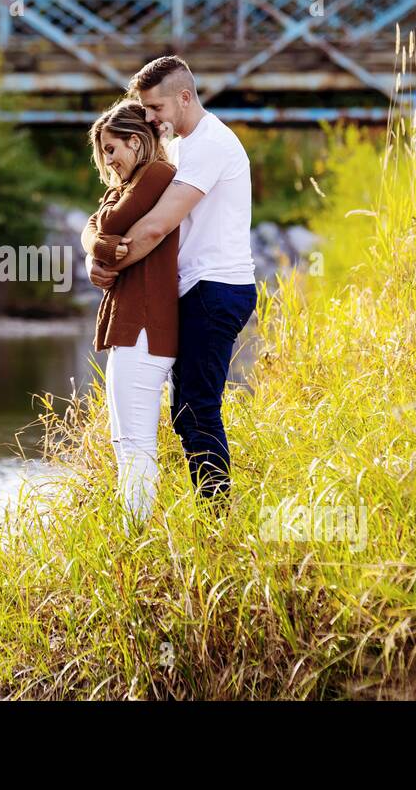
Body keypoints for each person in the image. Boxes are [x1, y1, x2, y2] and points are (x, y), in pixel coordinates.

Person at [87, 56, 256, 503]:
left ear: (184, 97)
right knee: (188, 411)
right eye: (143, 110)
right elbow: (109, 218)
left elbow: (156, 227)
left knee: (197, 409)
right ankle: (209, 514)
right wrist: (98, 255)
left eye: (155, 108)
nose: (149, 118)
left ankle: (218, 516)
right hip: (196, 289)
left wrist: (107, 263)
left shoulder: (210, 144)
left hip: (217, 288)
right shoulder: (181, 146)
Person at [81, 100, 179, 527]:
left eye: (111, 149)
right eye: (103, 151)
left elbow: (107, 224)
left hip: (144, 328)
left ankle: (136, 535)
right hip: (130, 326)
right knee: (124, 443)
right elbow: (95, 232)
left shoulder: (156, 175)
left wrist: (95, 241)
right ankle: (132, 535)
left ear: (137, 141)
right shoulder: (129, 185)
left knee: (136, 443)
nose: (107, 161)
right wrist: (94, 251)